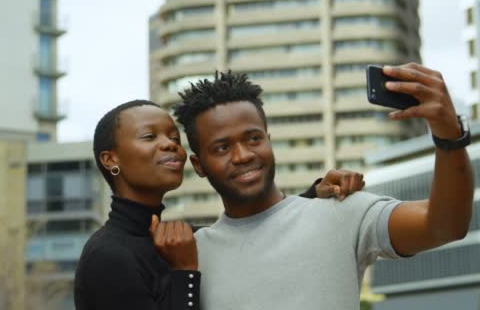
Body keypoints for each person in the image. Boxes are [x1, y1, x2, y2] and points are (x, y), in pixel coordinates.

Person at [170, 63, 474, 309]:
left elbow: (444, 226)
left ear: (268, 140)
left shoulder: (343, 211)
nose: (243, 155)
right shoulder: (191, 255)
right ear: (198, 165)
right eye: (222, 148)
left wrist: (450, 136)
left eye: (253, 138)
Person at [73, 100, 365, 310]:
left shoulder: (176, 239)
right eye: (150, 137)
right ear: (111, 159)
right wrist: (185, 273)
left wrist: (313, 195)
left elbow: (244, 232)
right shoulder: (108, 256)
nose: (170, 145)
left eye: (174, 138)